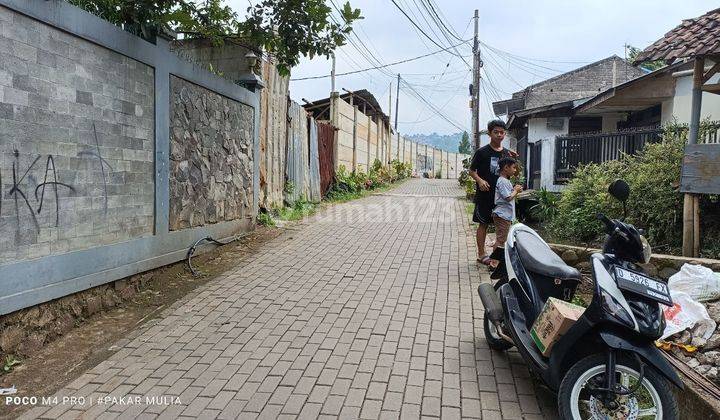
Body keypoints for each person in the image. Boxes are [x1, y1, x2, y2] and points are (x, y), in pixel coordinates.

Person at [469, 119, 517, 265]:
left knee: (502, 227)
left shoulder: (507, 153)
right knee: (483, 224)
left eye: (502, 132)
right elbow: (471, 171)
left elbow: (514, 171)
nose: (499, 135)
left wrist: (513, 159)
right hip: (485, 194)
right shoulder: (481, 152)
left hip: (502, 198)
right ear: (490, 133)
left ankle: (497, 256)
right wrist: (480, 180)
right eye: (496, 132)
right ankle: (481, 254)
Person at [492, 157, 523, 250]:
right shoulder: (503, 181)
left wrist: (514, 190)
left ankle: (496, 261)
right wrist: (516, 191)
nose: (515, 170)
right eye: (513, 167)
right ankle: (495, 262)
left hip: (504, 215)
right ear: (506, 168)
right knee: (501, 240)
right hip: (502, 215)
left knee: (502, 239)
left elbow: (508, 194)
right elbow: (508, 197)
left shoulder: (505, 181)